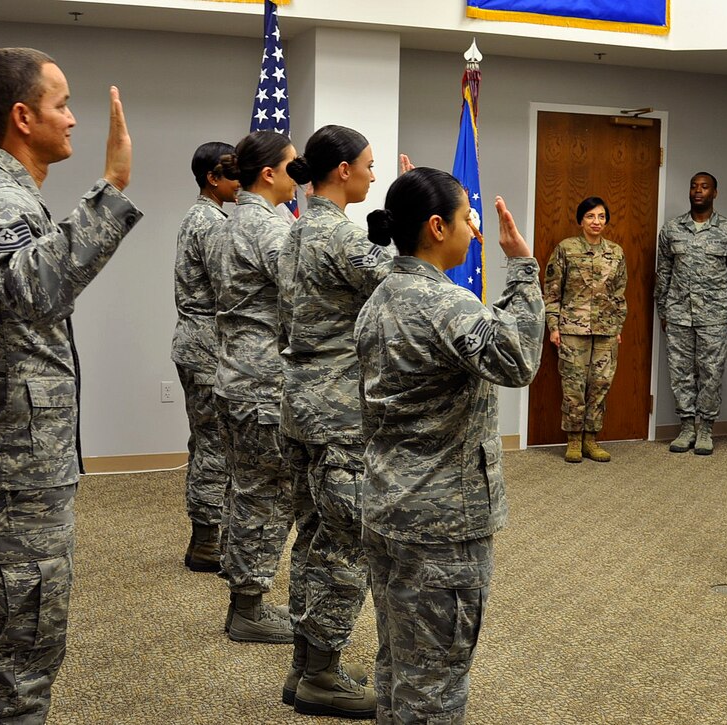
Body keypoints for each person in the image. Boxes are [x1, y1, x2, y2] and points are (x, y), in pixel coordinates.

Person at [0, 47, 141, 721]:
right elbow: (37, 290)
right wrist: (111, 186)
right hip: (6, 478)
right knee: (17, 655)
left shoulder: (5, 195)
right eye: (62, 104)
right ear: (23, 117)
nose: (74, 119)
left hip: (3, 468)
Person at [357, 168, 543, 724]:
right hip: (442, 524)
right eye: (468, 220)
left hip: (389, 506)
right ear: (437, 227)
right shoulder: (443, 305)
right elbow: (519, 359)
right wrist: (524, 268)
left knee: (399, 662)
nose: (474, 231)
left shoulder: (384, 293)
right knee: (435, 678)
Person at [278, 124, 388, 718]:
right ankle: (321, 673)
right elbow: (407, 284)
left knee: (315, 538)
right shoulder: (338, 240)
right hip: (341, 411)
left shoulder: (295, 232)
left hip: (299, 403)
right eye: (369, 165)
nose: (374, 174)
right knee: (350, 544)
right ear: (342, 170)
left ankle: (305, 667)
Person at [203, 131, 296, 644]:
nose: (298, 174)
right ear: (269, 173)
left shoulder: (242, 217)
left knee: (249, 491)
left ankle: (246, 596)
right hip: (261, 382)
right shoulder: (262, 225)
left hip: (240, 374)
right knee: (266, 495)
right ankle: (248, 609)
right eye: (292, 165)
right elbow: (308, 282)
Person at [170, 141, 238, 572]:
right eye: (234, 174)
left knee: (207, 442)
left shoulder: (202, 217)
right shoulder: (210, 224)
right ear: (212, 178)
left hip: (198, 343)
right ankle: (207, 541)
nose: (241, 182)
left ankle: (207, 533)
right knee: (215, 446)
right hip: (208, 347)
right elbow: (229, 287)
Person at [655, 172, 727, 455]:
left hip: (716, 315)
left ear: (714, 193)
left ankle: (705, 429)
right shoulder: (672, 229)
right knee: (680, 372)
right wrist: (663, 309)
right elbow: (663, 273)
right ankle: (686, 427)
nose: (698, 191)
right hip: (679, 313)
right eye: (694, 186)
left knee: (711, 372)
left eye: (704, 187)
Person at [543, 196, 627, 463]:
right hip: (572, 330)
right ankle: (573, 440)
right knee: (574, 387)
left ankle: (591, 439)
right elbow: (552, 292)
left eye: (601, 216)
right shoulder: (565, 249)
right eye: (591, 216)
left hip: (606, 331)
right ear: (581, 220)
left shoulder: (616, 252)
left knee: (600, 385)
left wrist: (617, 327)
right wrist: (553, 326)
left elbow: (620, 294)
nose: (596, 222)